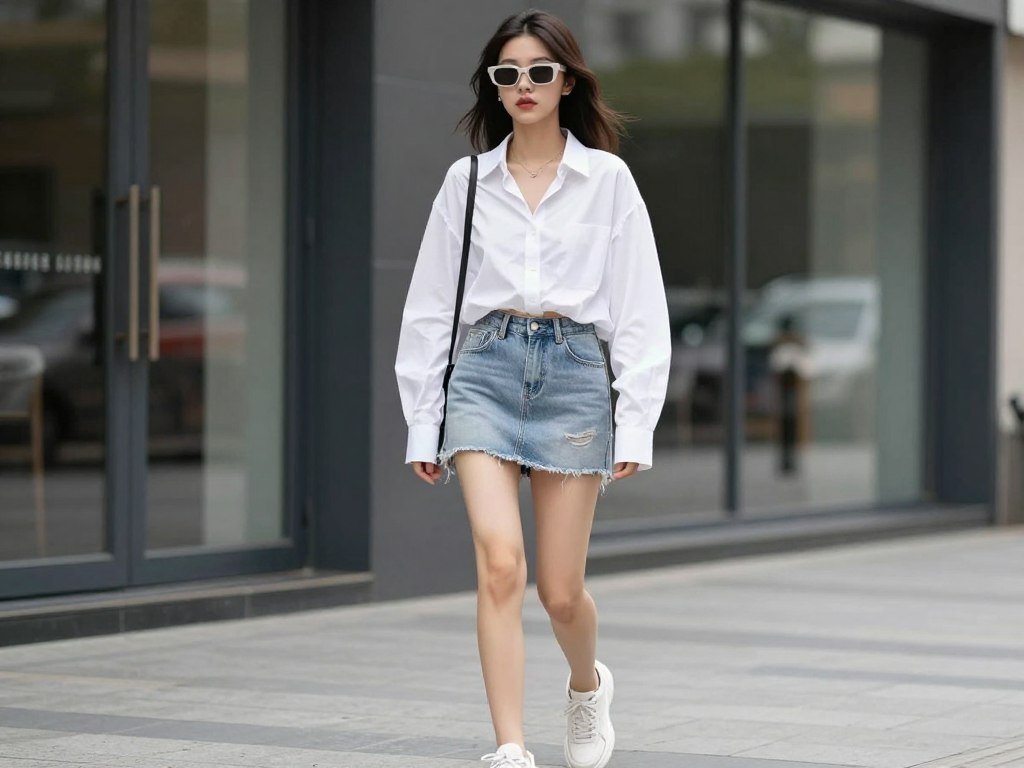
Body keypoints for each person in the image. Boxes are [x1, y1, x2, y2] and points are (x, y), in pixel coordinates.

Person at [393, 9, 671, 768]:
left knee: (558, 591)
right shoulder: (468, 182)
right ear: (493, 85)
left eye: (539, 72)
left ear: (567, 82)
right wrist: (424, 423)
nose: (523, 86)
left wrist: (635, 423)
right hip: (482, 370)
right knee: (499, 563)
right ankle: (510, 745)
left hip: (577, 376)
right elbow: (429, 309)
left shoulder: (608, 181)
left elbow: (641, 311)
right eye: (507, 74)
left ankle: (586, 687)